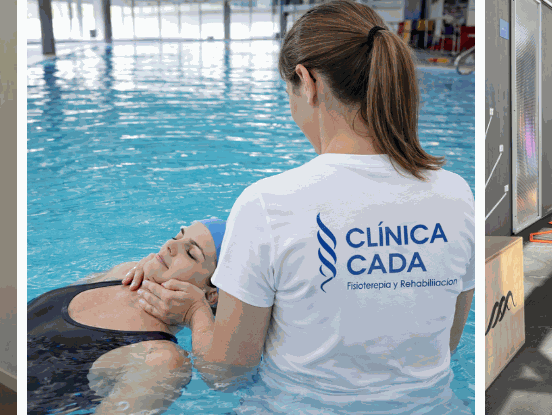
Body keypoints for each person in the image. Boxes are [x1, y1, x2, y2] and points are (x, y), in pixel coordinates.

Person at [123, 2, 476, 413]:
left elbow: (226, 374)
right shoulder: (457, 195)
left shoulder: (268, 204)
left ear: (308, 83)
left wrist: (196, 312)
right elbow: (445, 344)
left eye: (288, 91)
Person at [27, 218, 226, 415]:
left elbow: (222, 376)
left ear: (211, 295)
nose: (170, 246)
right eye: (177, 237)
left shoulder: (160, 360)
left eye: (191, 253)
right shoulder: (122, 273)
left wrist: (196, 312)